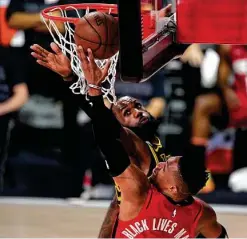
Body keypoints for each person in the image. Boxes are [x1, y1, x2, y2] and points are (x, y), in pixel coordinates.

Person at [77, 46, 228, 238]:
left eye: (137, 107)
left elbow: (106, 131)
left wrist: (88, 88)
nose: (161, 164)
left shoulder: (200, 212)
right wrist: (87, 88)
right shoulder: (140, 179)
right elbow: (106, 131)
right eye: (127, 112)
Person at [187, 44, 247, 193]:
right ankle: (199, 172)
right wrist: (227, 92)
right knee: (203, 104)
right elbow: (223, 78)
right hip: (240, 99)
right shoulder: (229, 48)